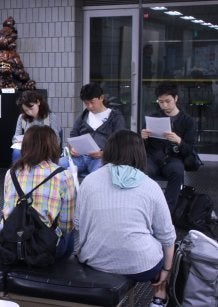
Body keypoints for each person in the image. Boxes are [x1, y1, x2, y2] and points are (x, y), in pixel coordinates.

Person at [75, 130, 175, 307]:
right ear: (139, 153)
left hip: (95, 260)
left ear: (109, 150)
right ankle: (159, 295)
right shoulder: (151, 186)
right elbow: (167, 235)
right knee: (162, 244)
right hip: (142, 266)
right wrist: (167, 269)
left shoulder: (89, 181)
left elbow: (78, 223)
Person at [4, 126, 76, 258]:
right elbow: (67, 224)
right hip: (43, 249)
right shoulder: (63, 175)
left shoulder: (11, 172)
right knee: (69, 232)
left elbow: (6, 209)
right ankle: (63, 266)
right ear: (52, 146)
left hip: (11, 244)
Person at [141, 82, 197, 211]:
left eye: (168, 101)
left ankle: (167, 211)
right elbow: (143, 147)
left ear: (176, 98)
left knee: (177, 172)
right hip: (153, 157)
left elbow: (189, 150)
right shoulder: (153, 117)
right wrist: (142, 137)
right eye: (161, 102)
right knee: (142, 171)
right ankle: (145, 207)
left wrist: (179, 141)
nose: (164, 105)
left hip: (173, 157)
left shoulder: (187, 121)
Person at [59, 83, 126, 176]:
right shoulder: (83, 116)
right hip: (80, 157)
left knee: (99, 173)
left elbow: (120, 142)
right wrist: (72, 148)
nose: (90, 106)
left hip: (102, 159)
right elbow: (73, 135)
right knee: (58, 165)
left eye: (92, 102)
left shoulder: (115, 117)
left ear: (101, 98)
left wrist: (104, 153)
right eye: (86, 103)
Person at [11, 90, 60, 162]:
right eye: (26, 110)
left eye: (31, 108)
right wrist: (19, 142)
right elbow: (15, 138)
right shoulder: (22, 117)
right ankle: (17, 172)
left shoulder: (50, 117)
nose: (29, 112)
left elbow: (56, 140)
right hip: (28, 148)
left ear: (38, 102)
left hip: (44, 149)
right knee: (16, 152)